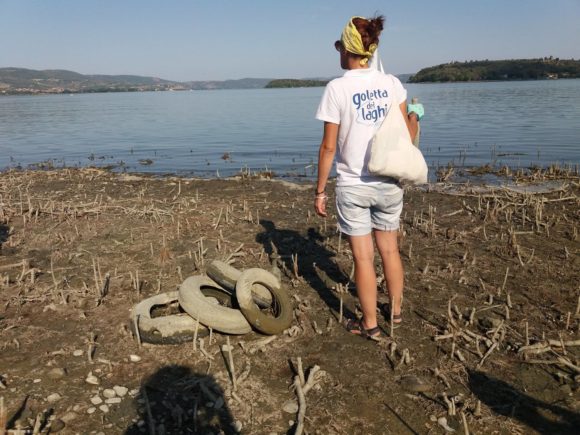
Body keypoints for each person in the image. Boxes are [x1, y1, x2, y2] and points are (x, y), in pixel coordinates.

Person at [314, 15, 418, 338]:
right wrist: (416, 114)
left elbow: (329, 147)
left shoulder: (337, 89)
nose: (338, 53)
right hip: (389, 182)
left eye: (339, 47)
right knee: (389, 250)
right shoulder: (391, 84)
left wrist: (319, 191)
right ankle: (396, 313)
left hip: (354, 186)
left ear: (347, 50)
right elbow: (408, 137)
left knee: (363, 256)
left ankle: (370, 323)